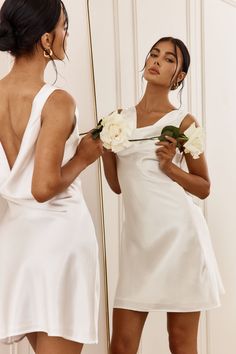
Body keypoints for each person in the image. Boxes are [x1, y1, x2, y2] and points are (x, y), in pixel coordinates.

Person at [102, 37, 224, 354]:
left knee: (181, 343)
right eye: (155, 54)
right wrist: (105, 150)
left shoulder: (183, 122)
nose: (158, 61)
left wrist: (170, 167)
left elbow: (204, 186)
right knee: (121, 346)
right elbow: (117, 186)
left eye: (170, 59)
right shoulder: (117, 118)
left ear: (179, 76)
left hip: (179, 239)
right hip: (138, 244)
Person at [0, 1, 103, 353]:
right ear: (46, 38)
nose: (66, 35)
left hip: (16, 241)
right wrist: (85, 157)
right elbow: (43, 187)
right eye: (64, 26)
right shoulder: (58, 101)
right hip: (59, 242)